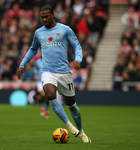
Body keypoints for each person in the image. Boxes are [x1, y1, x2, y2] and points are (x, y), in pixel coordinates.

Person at [17, 5, 91, 143]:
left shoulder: (65, 29)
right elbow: (33, 50)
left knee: (72, 107)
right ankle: (69, 126)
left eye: (46, 16)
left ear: (53, 15)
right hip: (47, 72)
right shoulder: (39, 33)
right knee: (50, 95)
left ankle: (81, 131)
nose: (44, 19)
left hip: (64, 73)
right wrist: (22, 64)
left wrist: (78, 59)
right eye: (42, 17)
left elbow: (77, 46)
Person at [34, 51, 50, 119]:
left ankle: (46, 109)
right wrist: (36, 75)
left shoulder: (49, 62)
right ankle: (44, 107)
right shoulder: (37, 62)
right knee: (43, 95)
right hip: (40, 81)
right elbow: (36, 69)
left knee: (48, 96)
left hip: (47, 81)